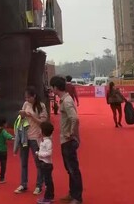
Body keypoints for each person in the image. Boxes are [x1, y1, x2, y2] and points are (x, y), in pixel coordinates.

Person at [50, 75, 83, 204]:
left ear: (56, 87)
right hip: (66, 140)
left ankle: (77, 197)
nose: (51, 90)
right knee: (69, 169)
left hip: (68, 140)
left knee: (73, 169)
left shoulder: (67, 101)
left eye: (52, 87)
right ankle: (72, 193)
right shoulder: (64, 100)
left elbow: (74, 118)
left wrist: (70, 133)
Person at [14, 86, 48, 195]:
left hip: (35, 137)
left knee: (38, 162)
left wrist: (32, 116)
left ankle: (39, 185)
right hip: (25, 136)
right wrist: (22, 115)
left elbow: (43, 122)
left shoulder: (41, 106)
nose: (27, 99)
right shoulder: (25, 104)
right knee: (23, 162)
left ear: (34, 96)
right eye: (26, 97)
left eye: (29, 97)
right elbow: (22, 118)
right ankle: (23, 184)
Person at [35, 121, 55, 204]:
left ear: (43, 131)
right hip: (43, 163)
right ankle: (49, 196)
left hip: (46, 164)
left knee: (48, 181)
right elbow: (40, 145)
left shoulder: (48, 142)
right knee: (47, 181)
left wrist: (39, 154)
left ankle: (48, 198)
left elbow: (49, 153)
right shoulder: (44, 140)